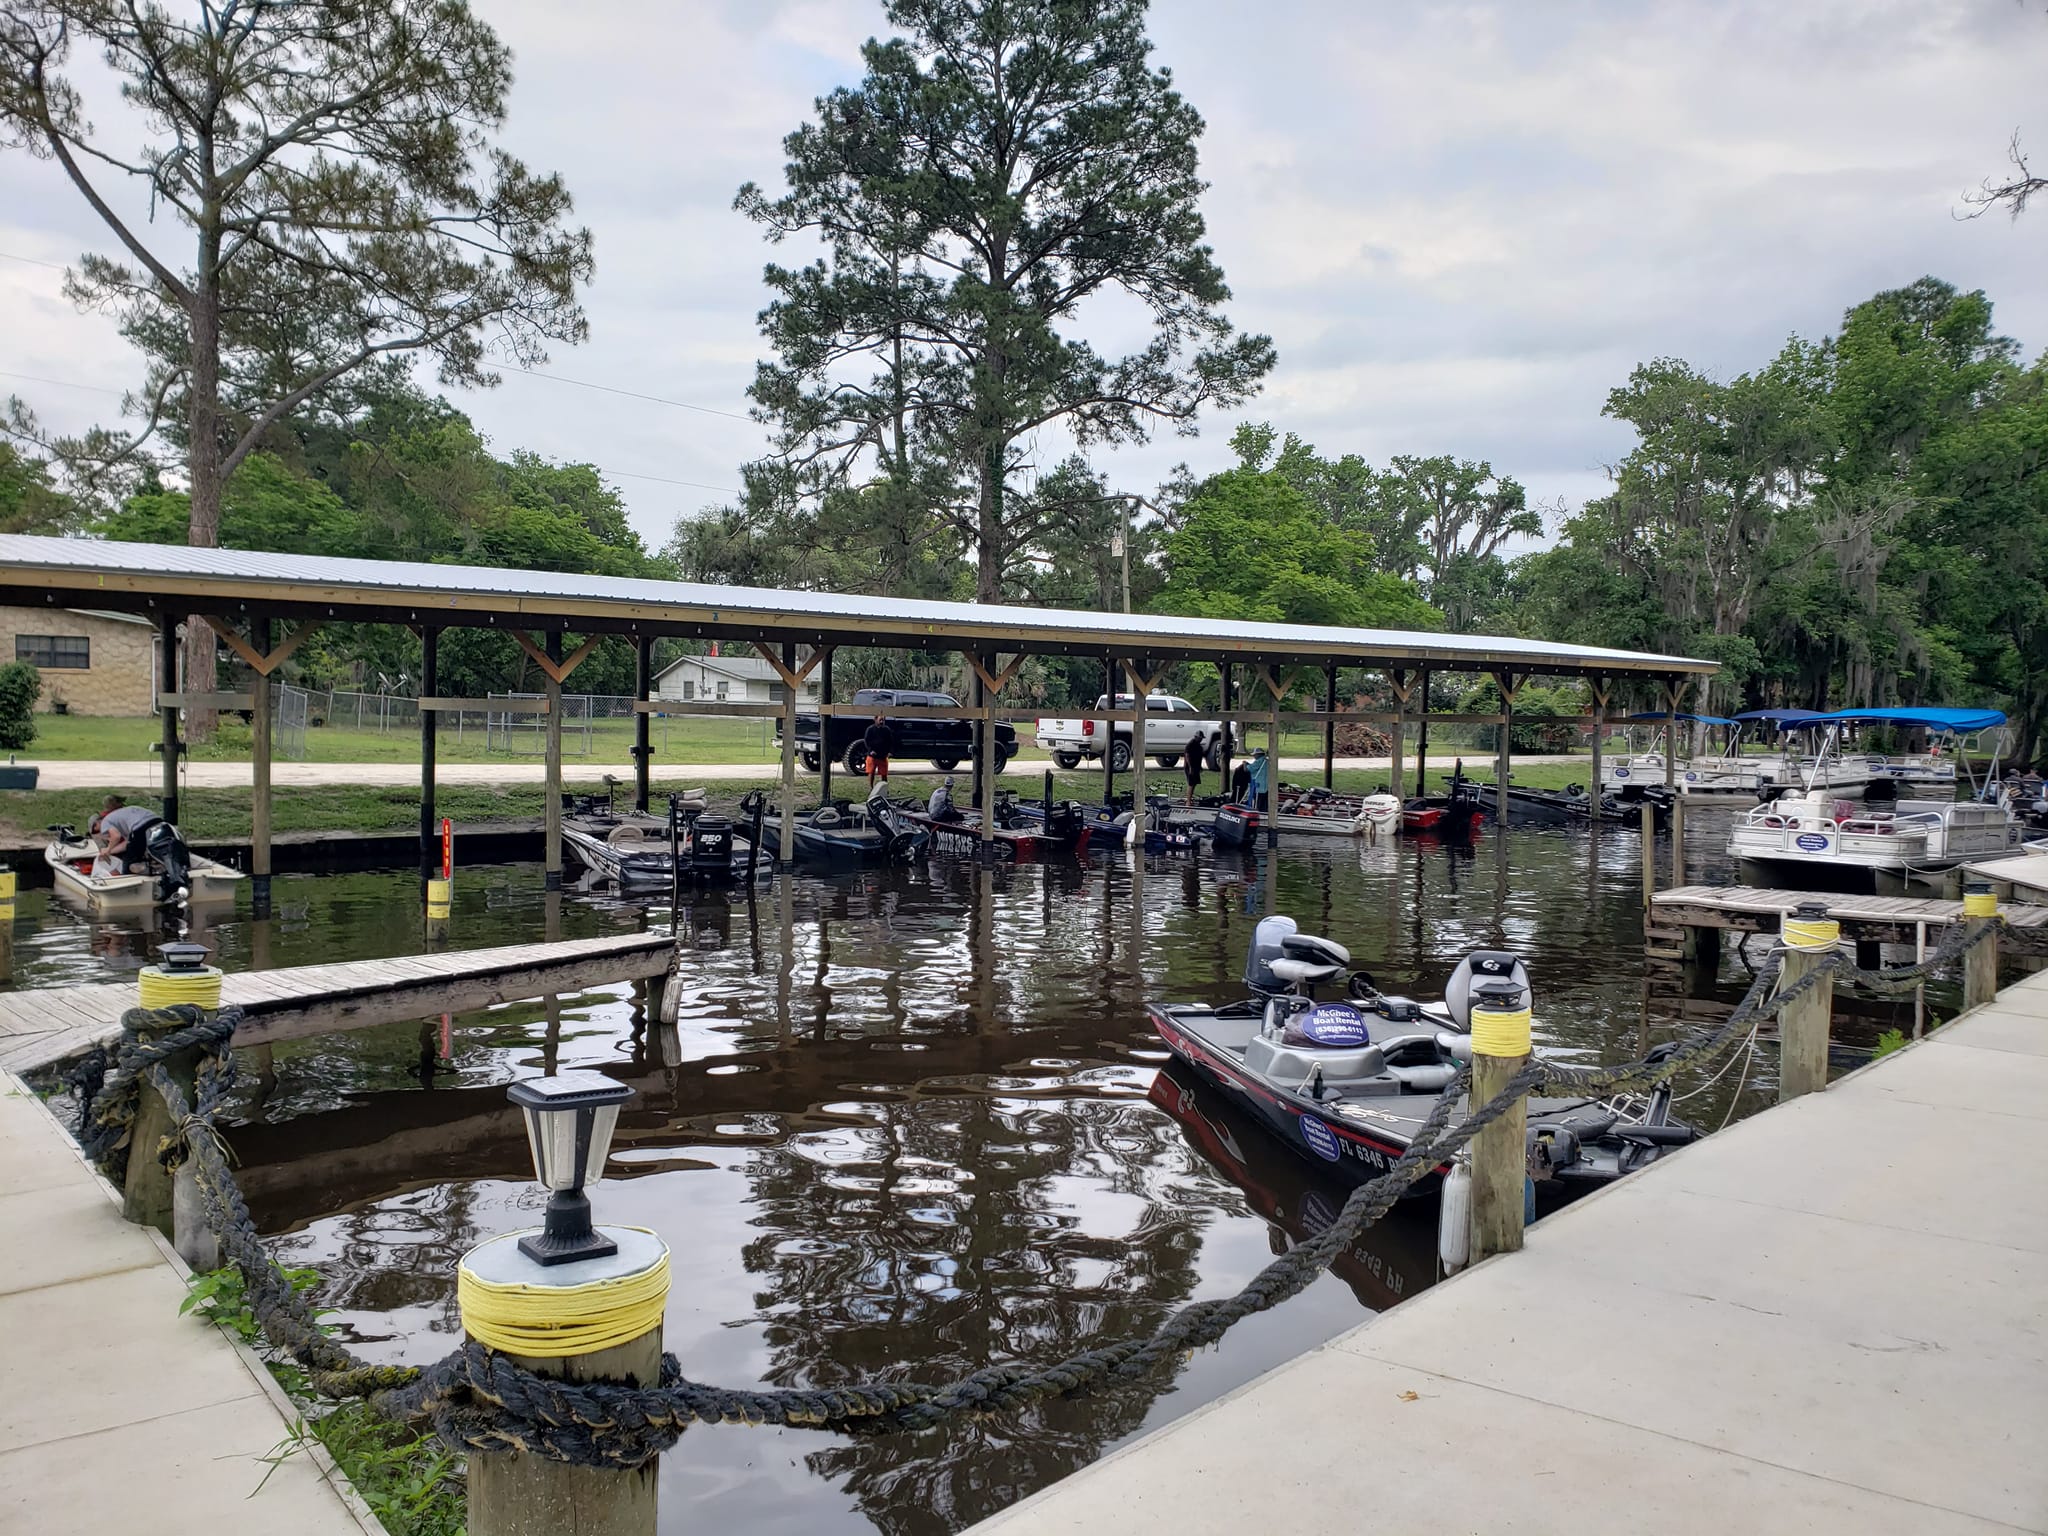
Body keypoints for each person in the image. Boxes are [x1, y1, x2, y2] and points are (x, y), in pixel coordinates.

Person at [97, 800, 159, 875]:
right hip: (156, 820)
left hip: (140, 825)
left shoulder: (105, 821)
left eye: (95, 829)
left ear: (98, 822)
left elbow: (116, 836)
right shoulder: (122, 819)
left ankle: (127, 879)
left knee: (128, 862)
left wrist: (107, 849)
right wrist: (111, 851)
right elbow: (127, 844)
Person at [862, 713, 896, 789]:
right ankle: (871, 788)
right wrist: (870, 750)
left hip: (883, 756)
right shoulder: (870, 729)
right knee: (871, 772)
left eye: (883, 720)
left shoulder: (886, 729)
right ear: (875, 719)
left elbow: (891, 742)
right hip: (873, 755)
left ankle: (884, 788)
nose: (881, 722)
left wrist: (890, 751)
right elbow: (866, 741)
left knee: (884, 774)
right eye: (880, 720)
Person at [1181, 734, 1204, 807]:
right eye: (1200, 738)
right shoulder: (1191, 744)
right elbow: (1187, 755)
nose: (1201, 740)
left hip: (1196, 767)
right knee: (1191, 784)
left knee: (1194, 783)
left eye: (1201, 738)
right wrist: (1190, 767)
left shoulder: (1199, 746)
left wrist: (1200, 766)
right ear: (1196, 737)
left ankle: (1190, 798)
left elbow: (1199, 757)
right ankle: (1188, 801)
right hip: (1190, 767)